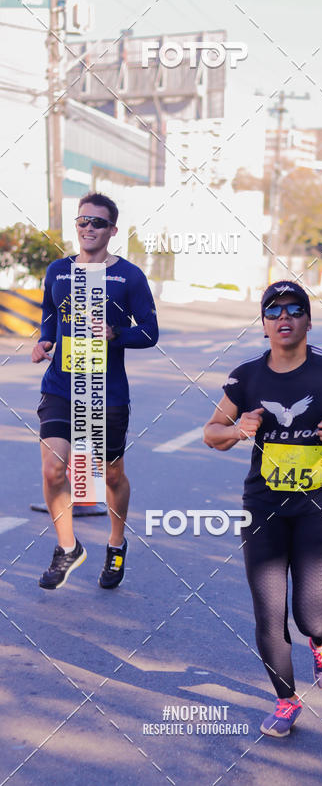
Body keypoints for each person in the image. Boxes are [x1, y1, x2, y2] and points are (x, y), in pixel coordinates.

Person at [204, 281, 322, 737]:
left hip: (318, 506)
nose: (284, 317)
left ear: (308, 321)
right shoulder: (247, 377)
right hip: (263, 507)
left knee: (309, 615)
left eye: (295, 309)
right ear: (263, 325)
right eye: (274, 311)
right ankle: (285, 699)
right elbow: (211, 433)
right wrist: (239, 429)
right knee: (268, 613)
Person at [32, 192, 159, 590]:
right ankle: (67, 548)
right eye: (83, 221)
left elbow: (150, 333)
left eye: (98, 223)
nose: (88, 228)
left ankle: (116, 543)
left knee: (111, 475)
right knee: (55, 469)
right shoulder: (57, 271)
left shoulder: (130, 277)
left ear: (112, 230)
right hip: (61, 385)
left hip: (106, 393)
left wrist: (114, 333)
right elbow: (50, 318)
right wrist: (44, 343)